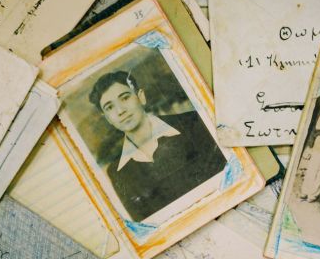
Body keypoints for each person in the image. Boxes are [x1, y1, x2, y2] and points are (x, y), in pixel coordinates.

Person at [89, 70, 226, 222]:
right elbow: (149, 225)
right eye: (109, 107)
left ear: (141, 97)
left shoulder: (193, 123)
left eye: (125, 98)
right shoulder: (118, 173)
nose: (120, 111)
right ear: (107, 118)